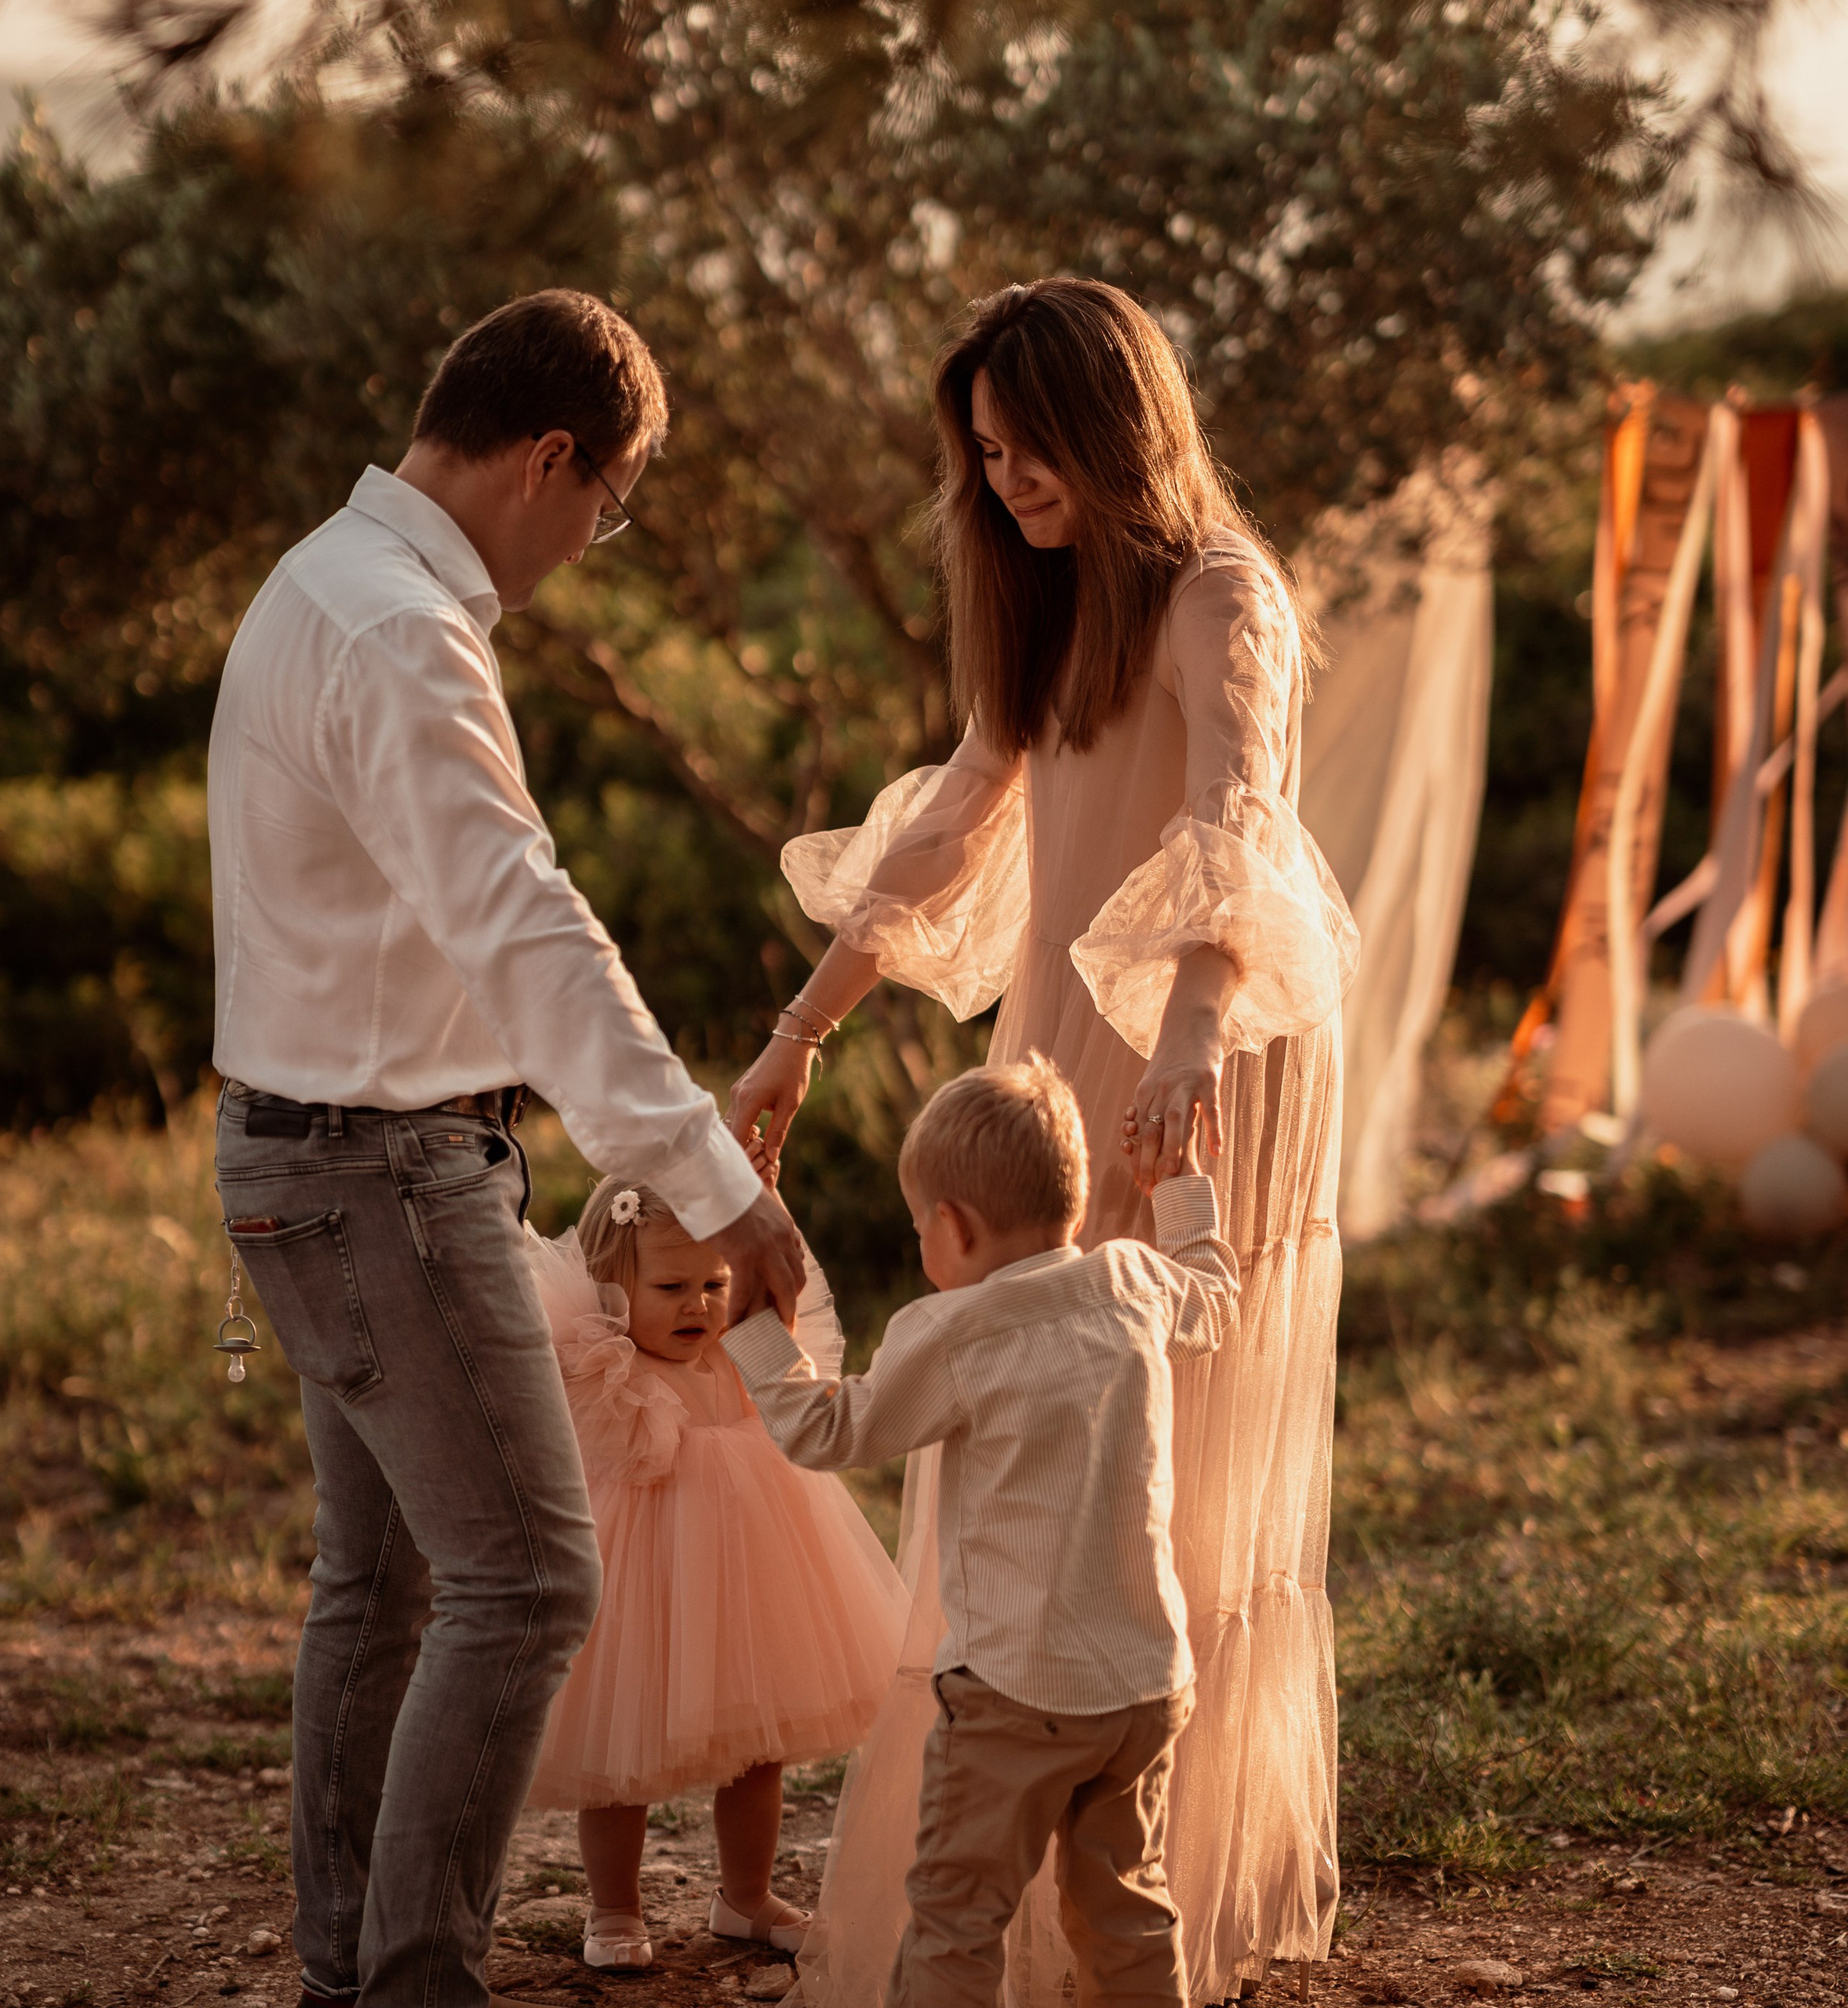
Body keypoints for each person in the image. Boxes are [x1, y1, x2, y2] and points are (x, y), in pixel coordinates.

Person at [725, 277, 1359, 2003]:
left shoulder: (1219, 590)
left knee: (1171, 1438)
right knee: (1017, 1438)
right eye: (983, 456)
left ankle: (1141, 1879)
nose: (1001, 482)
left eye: (1025, 446)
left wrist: (1182, 1042)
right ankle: (991, 1893)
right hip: (1067, 1051)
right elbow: (947, 820)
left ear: (1109, 424)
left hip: (1193, 1042)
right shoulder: (1042, 603)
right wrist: (799, 1028)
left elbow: (1235, 817)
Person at [209, 289, 803, 2008]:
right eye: (602, 508)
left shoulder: (317, 574)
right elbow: (523, 928)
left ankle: (350, 1965)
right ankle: (407, 1981)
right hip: (381, 1174)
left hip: (296, 1153)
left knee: (379, 1585)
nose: (584, 545)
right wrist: (713, 1182)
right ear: (551, 457)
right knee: (533, 1581)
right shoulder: (400, 627)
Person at [723, 1054, 1240, 2006]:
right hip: (1143, 1683)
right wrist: (1181, 1190)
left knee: (959, 1920)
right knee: (1126, 1909)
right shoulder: (1130, 1279)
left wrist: (753, 1319)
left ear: (950, 1227)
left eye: (920, 1223)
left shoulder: (954, 1329)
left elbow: (826, 1427)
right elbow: (1213, 1294)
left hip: (1015, 1693)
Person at [520, 1170, 907, 1971]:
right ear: (610, 1289)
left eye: (714, 1283)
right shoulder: (600, 1366)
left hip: (753, 1570)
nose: (698, 1304)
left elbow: (798, 1374)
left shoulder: (743, 1354)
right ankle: (615, 1905)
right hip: (634, 1575)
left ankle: (746, 1896)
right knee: (617, 1748)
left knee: (756, 1743)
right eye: (670, 1286)